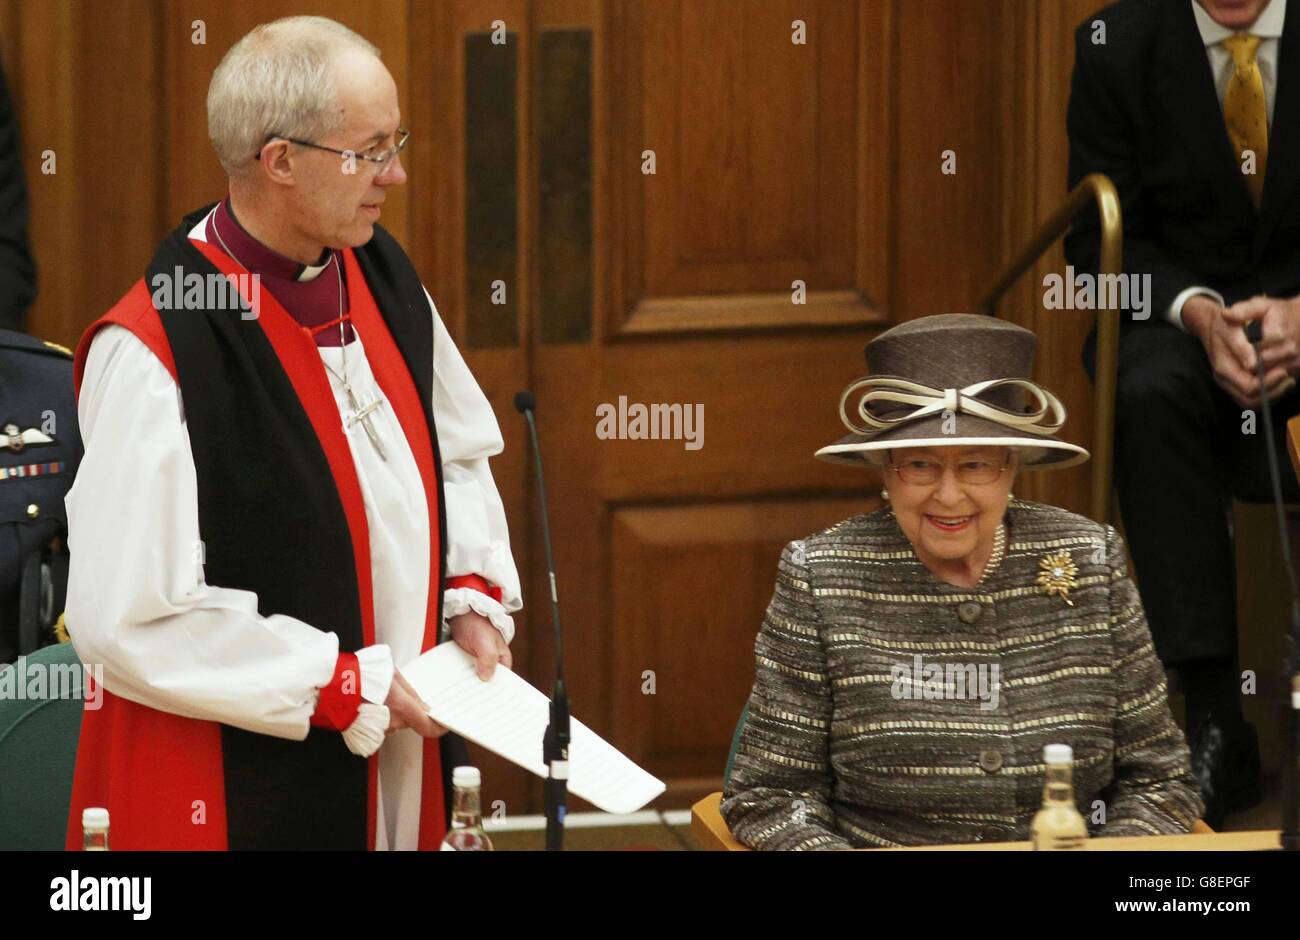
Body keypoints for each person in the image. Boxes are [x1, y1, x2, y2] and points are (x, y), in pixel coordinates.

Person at [62, 16, 521, 850]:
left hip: (396, 740)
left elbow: (450, 449)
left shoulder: (377, 271)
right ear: (280, 161)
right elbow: (125, 618)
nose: (398, 172)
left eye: (396, 141)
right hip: (235, 770)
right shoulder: (158, 347)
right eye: (371, 150)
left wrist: (468, 592)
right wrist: (338, 684)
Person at [720, 314, 1202, 849]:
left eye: (975, 465)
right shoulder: (821, 575)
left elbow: (1159, 781)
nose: (948, 497)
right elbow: (770, 796)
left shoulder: (1090, 559)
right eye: (920, 465)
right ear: (884, 469)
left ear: (1013, 465)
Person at [1065, 0, 1300, 828]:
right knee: (1146, 391)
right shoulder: (1114, 44)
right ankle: (1208, 715)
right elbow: (1095, 254)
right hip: (1178, 329)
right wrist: (1199, 313)